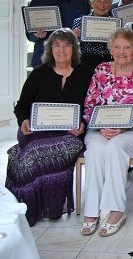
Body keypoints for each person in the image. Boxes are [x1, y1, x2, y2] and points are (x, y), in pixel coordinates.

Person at [6, 29, 92, 226]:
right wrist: (23, 121)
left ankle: (50, 207)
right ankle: (28, 208)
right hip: (36, 129)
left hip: (71, 133)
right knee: (25, 156)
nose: (62, 50)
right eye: (57, 45)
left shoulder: (85, 73)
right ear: (50, 49)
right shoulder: (39, 72)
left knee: (39, 153)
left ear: (74, 48)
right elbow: (22, 104)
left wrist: (83, 124)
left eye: (67, 45)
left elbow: (92, 105)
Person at [80, 28, 133, 237]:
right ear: (110, 49)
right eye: (117, 47)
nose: (122, 51)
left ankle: (116, 211)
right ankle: (91, 212)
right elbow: (89, 105)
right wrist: (99, 126)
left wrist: (125, 126)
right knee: (95, 149)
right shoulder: (101, 70)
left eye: (127, 47)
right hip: (100, 129)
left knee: (115, 147)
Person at [26, 0, 90, 68]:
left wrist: (81, 33)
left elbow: (89, 28)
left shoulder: (80, 0)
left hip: (73, 58)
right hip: (44, 58)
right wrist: (36, 35)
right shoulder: (37, 2)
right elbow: (29, 35)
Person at [72, 0, 115, 70]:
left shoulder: (116, 25)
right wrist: (74, 37)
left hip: (109, 64)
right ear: (92, 3)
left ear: (110, 5)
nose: (102, 5)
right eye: (98, 1)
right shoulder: (79, 22)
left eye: (106, 2)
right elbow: (73, 48)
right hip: (85, 65)